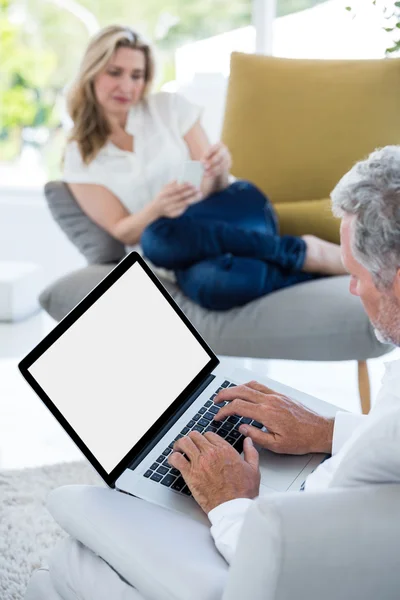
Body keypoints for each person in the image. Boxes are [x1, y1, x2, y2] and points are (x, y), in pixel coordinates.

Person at [25, 145, 400, 600]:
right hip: (312, 497)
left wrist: (231, 501)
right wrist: (329, 430)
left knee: (74, 535)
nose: (351, 288)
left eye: (356, 275)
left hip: (271, 551)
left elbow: (288, 571)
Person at [63, 24, 346, 311]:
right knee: (211, 283)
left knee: (156, 237)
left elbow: (213, 182)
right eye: (115, 72)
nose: (127, 86)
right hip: (179, 251)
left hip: (236, 211)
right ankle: (309, 263)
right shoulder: (79, 156)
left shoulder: (169, 108)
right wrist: (158, 208)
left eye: (136, 75)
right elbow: (122, 231)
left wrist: (219, 169)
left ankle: (302, 252)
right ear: (92, 71)